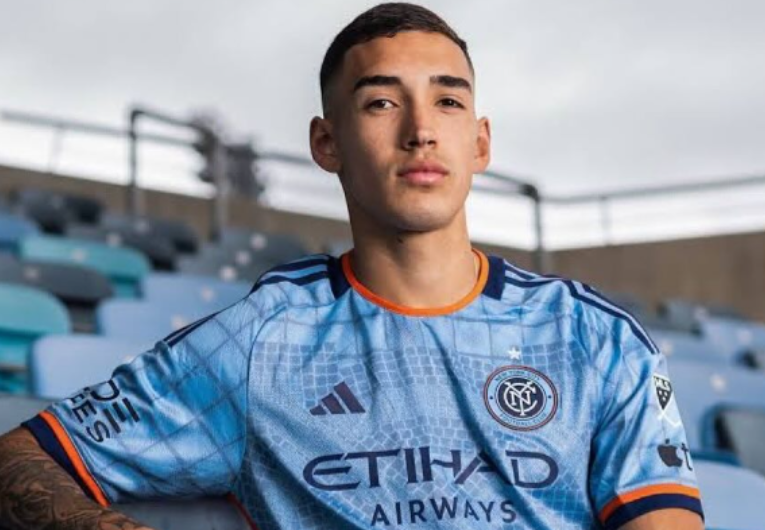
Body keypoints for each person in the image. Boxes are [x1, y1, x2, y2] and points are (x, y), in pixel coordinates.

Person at [0, 3, 704, 529]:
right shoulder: (260, 341)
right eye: (381, 102)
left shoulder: (594, 338)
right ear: (326, 142)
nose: (420, 130)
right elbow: (20, 460)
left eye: (447, 101)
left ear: (480, 141)